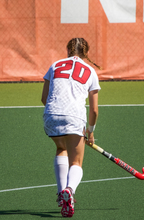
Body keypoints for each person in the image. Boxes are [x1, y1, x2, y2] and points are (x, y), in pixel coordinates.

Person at [41, 38, 101, 217]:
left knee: (61, 148)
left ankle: (62, 195)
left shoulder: (55, 65)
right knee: (76, 162)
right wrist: (90, 132)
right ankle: (69, 190)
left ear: (68, 50)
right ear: (86, 52)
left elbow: (44, 98)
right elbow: (95, 110)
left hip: (51, 115)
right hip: (74, 116)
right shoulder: (90, 71)